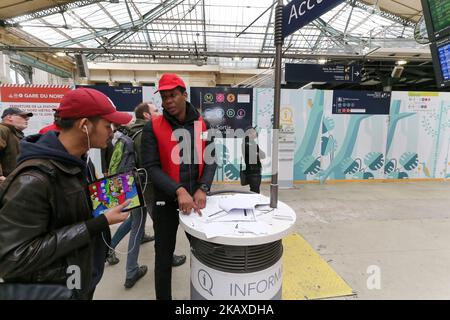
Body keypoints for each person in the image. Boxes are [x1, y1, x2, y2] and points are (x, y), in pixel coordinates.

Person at [0, 88, 133, 300]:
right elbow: (13, 259)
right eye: (108, 124)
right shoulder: (33, 179)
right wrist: (97, 224)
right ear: (84, 126)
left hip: (79, 279)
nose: (112, 130)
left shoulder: (78, 162)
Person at [141, 74, 217, 300]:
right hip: (166, 201)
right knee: (163, 258)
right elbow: (151, 167)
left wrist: (203, 187)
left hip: (196, 201)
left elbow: (211, 160)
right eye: (164, 97)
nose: (168, 101)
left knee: (204, 254)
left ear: (184, 94)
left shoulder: (203, 125)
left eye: (173, 95)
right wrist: (178, 190)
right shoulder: (152, 127)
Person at [107, 102, 187, 270]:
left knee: (135, 223)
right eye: (155, 110)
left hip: (133, 184)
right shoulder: (146, 133)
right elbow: (152, 166)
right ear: (146, 115)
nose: (159, 112)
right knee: (161, 225)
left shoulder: (131, 130)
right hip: (148, 187)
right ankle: (166, 257)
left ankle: (116, 255)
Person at [0, 107, 33, 182]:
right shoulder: (2, 129)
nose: (27, 119)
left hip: (13, 181)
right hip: (5, 183)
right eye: (23, 116)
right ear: (9, 117)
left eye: (27, 118)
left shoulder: (15, 133)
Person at [241, 126, 265, 194]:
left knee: (256, 190)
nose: (256, 133)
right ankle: (254, 204)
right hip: (252, 172)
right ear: (249, 134)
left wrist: (257, 154)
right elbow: (254, 156)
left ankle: (255, 203)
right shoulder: (246, 144)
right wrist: (257, 154)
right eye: (254, 132)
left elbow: (263, 155)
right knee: (255, 192)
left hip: (256, 171)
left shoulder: (253, 143)